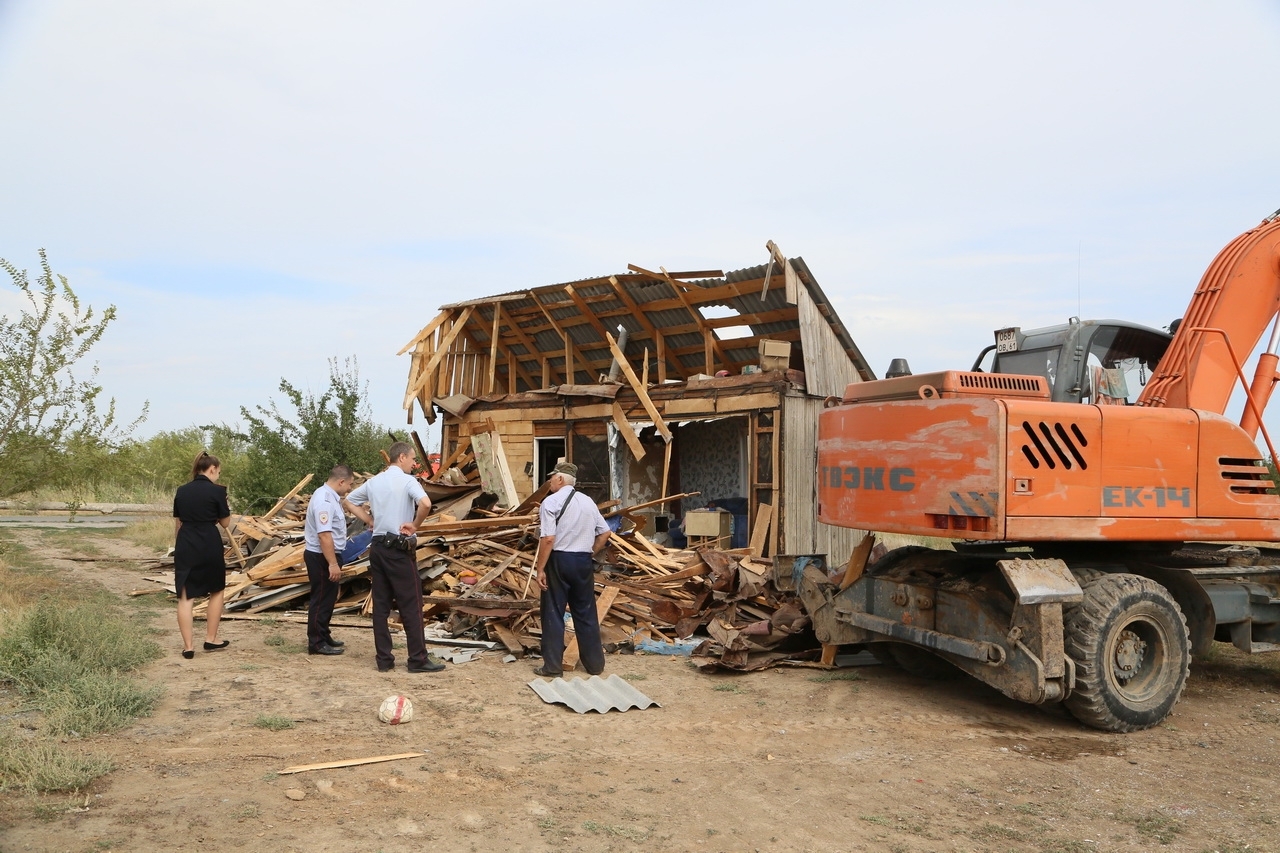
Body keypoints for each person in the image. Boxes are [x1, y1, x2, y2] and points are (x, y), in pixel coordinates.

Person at [346, 441, 444, 673]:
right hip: (399, 549)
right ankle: (418, 659)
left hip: (378, 547)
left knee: (380, 605)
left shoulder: (374, 482)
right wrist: (415, 524)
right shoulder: (408, 481)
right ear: (401, 457)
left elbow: (348, 500)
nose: (414, 464)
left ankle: (384, 660)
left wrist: (370, 521)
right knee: (411, 603)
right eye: (412, 459)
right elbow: (425, 503)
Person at [533, 461, 611, 677]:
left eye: (551, 477)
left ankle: (552, 667)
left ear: (560, 479)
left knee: (553, 613)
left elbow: (548, 538)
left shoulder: (550, 502)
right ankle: (595, 665)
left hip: (559, 559)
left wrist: (540, 569)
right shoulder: (588, 502)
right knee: (586, 612)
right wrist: (589, 552)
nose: (549, 481)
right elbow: (605, 533)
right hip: (582, 560)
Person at [172, 451, 232, 659]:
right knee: (216, 589)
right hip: (208, 542)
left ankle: (188, 646)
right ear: (212, 469)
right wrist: (225, 503)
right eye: (218, 472)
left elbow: (178, 522)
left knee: (185, 595)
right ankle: (211, 638)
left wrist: (178, 546)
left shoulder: (182, 490)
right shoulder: (217, 491)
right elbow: (225, 523)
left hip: (186, 542)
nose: (218, 476)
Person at [304, 464, 358, 656]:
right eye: (350, 484)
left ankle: (323, 634)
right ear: (341, 481)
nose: (350, 489)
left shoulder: (331, 497)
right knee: (320, 598)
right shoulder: (324, 501)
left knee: (328, 598)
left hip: (328, 554)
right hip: (322, 556)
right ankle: (316, 642)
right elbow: (324, 535)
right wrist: (332, 563)